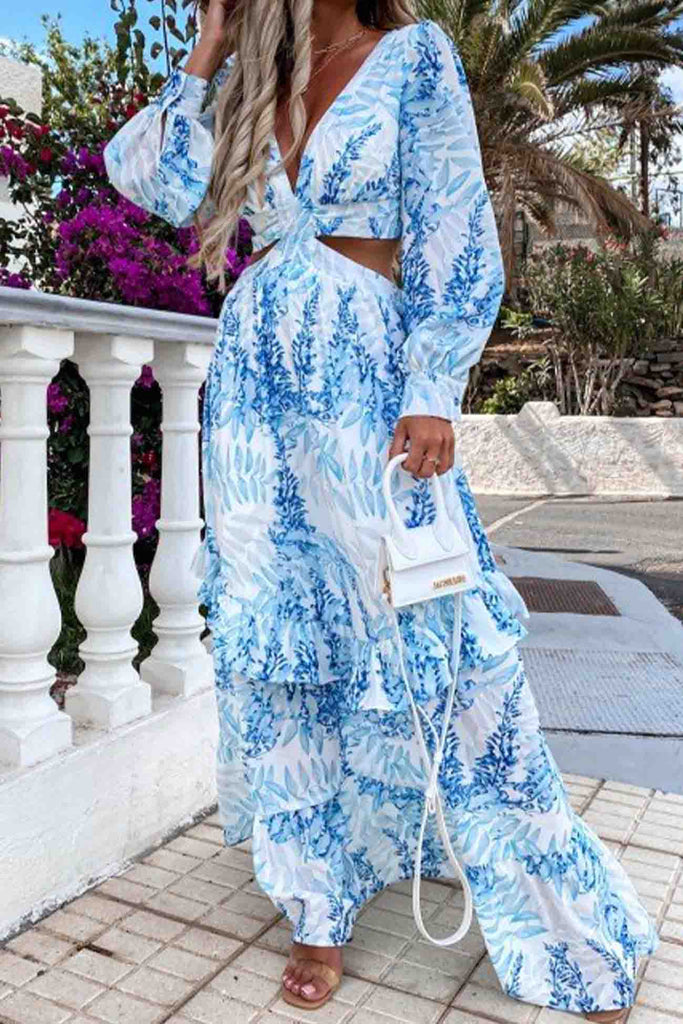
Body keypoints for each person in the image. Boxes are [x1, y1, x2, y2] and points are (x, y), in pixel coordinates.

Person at [103, 0, 658, 1017]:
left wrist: (431, 386)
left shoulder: (412, 56)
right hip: (256, 395)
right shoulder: (254, 75)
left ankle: (560, 924)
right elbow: (151, 178)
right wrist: (209, 48)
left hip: (365, 375)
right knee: (282, 645)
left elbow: (452, 223)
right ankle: (315, 907)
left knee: (445, 639)